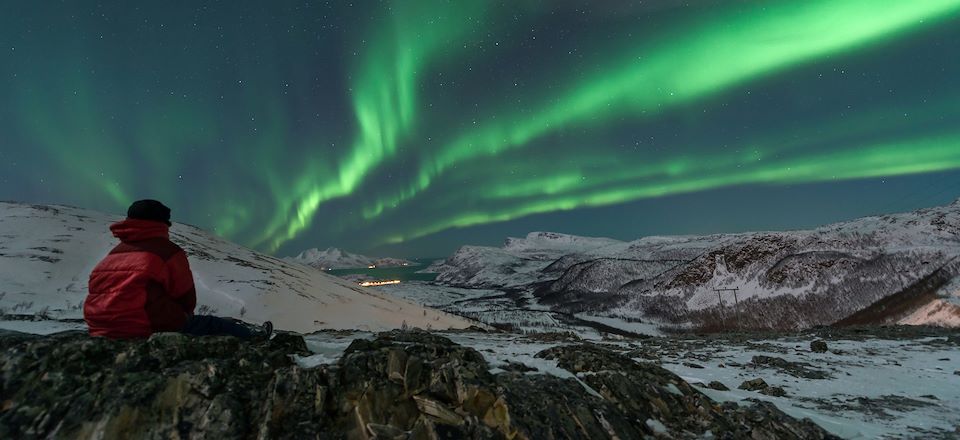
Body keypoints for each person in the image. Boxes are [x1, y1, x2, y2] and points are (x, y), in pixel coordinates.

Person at [84, 199, 272, 339]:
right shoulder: (167, 252)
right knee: (213, 324)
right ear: (161, 224)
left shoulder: (113, 254)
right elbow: (186, 298)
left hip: (100, 328)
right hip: (143, 327)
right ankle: (255, 338)